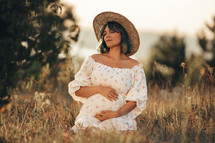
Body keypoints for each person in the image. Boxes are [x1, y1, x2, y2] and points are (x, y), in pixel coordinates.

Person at [68, 11, 147, 133]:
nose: (107, 36)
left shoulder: (135, 66)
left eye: (112, 32)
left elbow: (135, 100)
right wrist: (99, 89)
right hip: (91, 114)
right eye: (104, 33)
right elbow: (77, 90)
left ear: (123, 35)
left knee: (117, 136)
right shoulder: (94, 60)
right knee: (86, 133)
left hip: (117, 117)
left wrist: (116, 114)